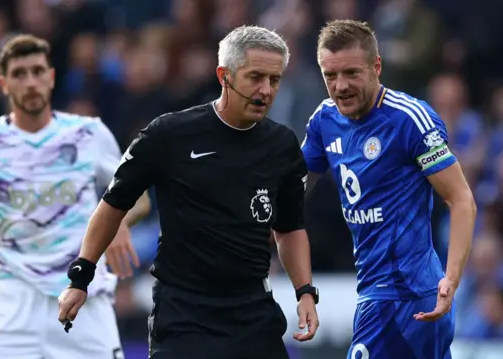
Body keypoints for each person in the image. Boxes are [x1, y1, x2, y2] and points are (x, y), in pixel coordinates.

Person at [58, 25, 320, 359]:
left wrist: (305, 292)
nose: (266, 90)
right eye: (255, 77)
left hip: (253, 315)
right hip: (184, 314)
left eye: (275, 79)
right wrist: (81, 277)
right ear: (224, 75)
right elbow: (113, 204)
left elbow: (290, 228)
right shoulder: (169, 134)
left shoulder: (282, 145)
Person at [0, 34, 148, 359]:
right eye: (19, 74)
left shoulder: (88, 134)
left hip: (83, 295)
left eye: (38, 71)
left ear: (51, 77)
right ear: (4, 83)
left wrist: (119, 220)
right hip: (14, 299)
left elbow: (140, 197)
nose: (31, 82)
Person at [302, 20, 477, 358]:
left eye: (352, 73)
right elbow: (290, 189)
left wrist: (451, 280)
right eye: (330, 76)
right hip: (376, 292)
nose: (340, 86)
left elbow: (461, 199)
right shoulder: (324, 120)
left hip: (409, 296)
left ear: (376, 67)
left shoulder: (409, 119)